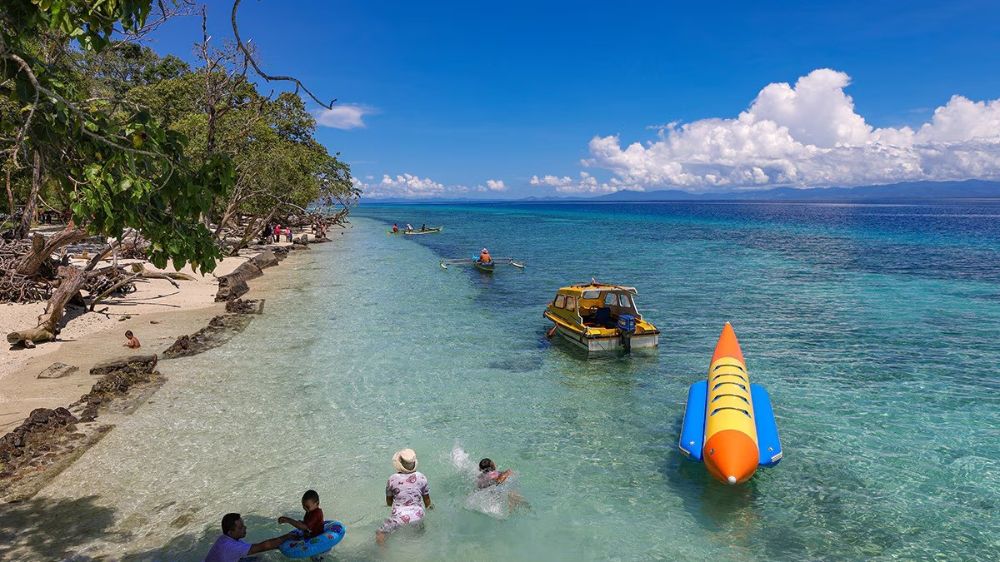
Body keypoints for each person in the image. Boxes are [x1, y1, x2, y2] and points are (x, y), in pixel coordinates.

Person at [377, 448, 432, 546]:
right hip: (418, 515)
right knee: (418, 535)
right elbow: (427, 500)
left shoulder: (392, 479)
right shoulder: (422, 477)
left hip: (399, 517)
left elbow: (389, 502)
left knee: (380, 533)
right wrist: (431, 507)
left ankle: (383, 554)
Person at [204, 513, 293, 562]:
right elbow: (263, 546)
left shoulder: (225, 538)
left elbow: (261, 547)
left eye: (243, 525)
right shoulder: (230, 547)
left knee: (259, 559)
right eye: (240, 527)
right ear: (230, 532)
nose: (245, 528)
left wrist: (278, 545)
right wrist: (287, 536)